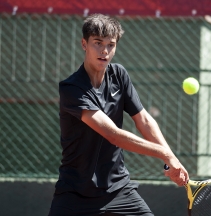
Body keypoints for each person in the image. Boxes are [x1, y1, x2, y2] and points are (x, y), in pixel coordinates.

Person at [48, 13, 189, 216]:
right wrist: (165, 153)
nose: (104, 51)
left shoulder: (119, 75)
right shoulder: (71, 88)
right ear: (84, 44)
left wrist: (171, 160)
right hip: (75, 193)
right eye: (97, 43)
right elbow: (112, 134)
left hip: (119, 190)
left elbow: (144, 119)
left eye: (111, 45)